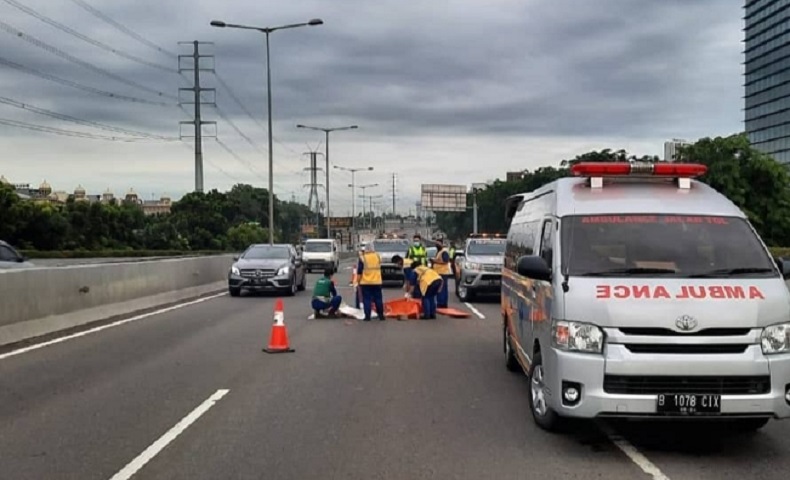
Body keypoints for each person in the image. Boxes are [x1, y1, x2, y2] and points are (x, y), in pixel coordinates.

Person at [357, 243, 385, 321]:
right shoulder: (378, 256)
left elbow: (359, 271)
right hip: (377, 281)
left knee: (367, 299)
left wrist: (358, 281)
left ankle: (367, 316)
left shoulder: (363, 258)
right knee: (378, 299)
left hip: (366, 282)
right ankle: (381, 315)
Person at [431, 238, 453, 309]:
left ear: (442, 244)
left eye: (438, 243)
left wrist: (435, 261)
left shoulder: (444, 251)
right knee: (440, 288)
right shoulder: (439, 251)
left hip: (442, 273)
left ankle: (442, 303)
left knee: (442, 289)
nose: (437, 245)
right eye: (436, 243)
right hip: (438, 272)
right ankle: (441, 303)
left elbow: (445, 261)